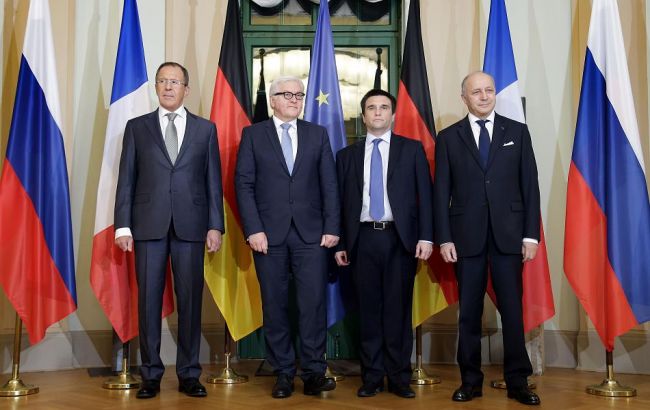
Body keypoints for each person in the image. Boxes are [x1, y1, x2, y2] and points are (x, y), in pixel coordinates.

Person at [114, 62, 224, 399]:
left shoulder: (205, 130)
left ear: (186, 89)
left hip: (192, 226)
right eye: (162, 81)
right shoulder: (137, 127)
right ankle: (150, 375)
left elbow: (213, 181)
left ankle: (189, 374)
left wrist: (215, 225)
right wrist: (122, 226)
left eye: (174, 82)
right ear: (156, 87)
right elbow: (126, 179)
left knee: (190, 301)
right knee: (148, 301)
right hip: (148, 226)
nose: (168, 87)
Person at [433, 71, 541, 405]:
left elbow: (530, 186)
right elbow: (441, 193)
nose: (484, 96)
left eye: (489, 90)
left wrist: (531, 236)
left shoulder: (517, 132)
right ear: (463, 97)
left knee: (512, 311)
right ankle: (470, 381)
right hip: (466, 238)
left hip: (509, 236)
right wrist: (444, 238)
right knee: (469, 313)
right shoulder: (448, 137)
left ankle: (518, 381)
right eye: (476, 91)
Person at [235, 76, 340, 399]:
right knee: (275, 305)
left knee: (312, 305)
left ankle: (313, 372)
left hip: (312, 235)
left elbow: (329, 184)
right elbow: (244, 185)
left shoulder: (317, 134)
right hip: (268, 236)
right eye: (287, 94)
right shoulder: (253, 135)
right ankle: (282, 372)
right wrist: (253, 229)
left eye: (299, 95)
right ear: (273, 100)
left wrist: (332, 227)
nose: (295, 99)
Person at [334, 89, 433, 399]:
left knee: (398, 310)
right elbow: (339, 203)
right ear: (363, 117)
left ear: (393, 115)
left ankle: (399, 376)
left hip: (399, 240)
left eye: (384, 107)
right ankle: (372, 376)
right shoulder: (347, 156)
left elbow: (425, 197)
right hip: (362, 240)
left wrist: (426, 236)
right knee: (368, 311)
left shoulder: (411, 150)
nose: (378, 112)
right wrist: (340, 243)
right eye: (371, 108)